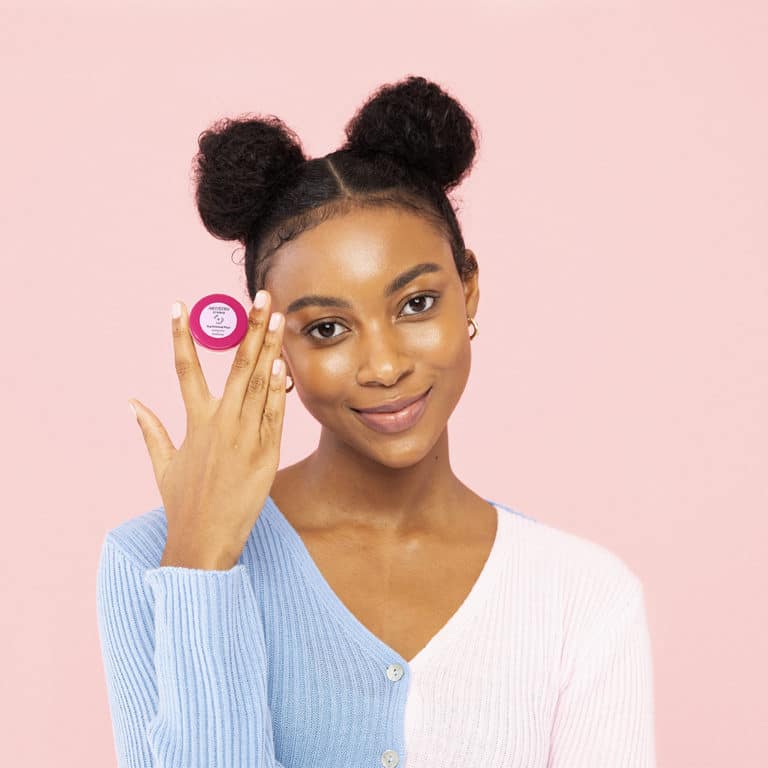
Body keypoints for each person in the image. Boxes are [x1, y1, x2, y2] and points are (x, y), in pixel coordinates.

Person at [96, 75, 656, 768]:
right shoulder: (150, 559)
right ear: (270, 341)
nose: (384, 365)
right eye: (328, 327)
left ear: (469, 288)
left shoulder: (582, 596)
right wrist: (202, 569)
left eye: (416, 305)